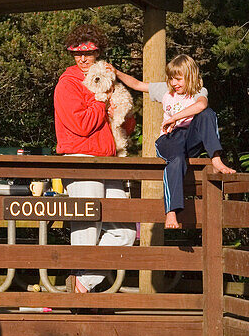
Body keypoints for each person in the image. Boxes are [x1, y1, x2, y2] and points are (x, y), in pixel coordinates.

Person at [53, 24, 137, 292]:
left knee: (125, 233)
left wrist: (121, 112)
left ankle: (81, 284)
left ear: (98, 52)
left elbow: (127, 126)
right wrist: (101, 102)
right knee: (87, 230)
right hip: (80, 159)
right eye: (77, 54)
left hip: (109, 161)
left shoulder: (107, 77)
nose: (82, 59)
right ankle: (81, 294)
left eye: (88, 53)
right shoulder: (67, 85)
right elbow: (81, 125)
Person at [115, 54, 236, 229]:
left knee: (207, 114)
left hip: (190, 138)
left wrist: (175, 117)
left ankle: (216, 158)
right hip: (169, 139)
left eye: (178, 79)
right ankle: (171, 212)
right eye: (171, 79)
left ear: (191, 77)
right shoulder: (165, 90)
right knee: (176, 159)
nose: (174, 83)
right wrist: (117, 72)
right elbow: (137, 84)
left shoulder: (199, 91)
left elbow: (201, 106)